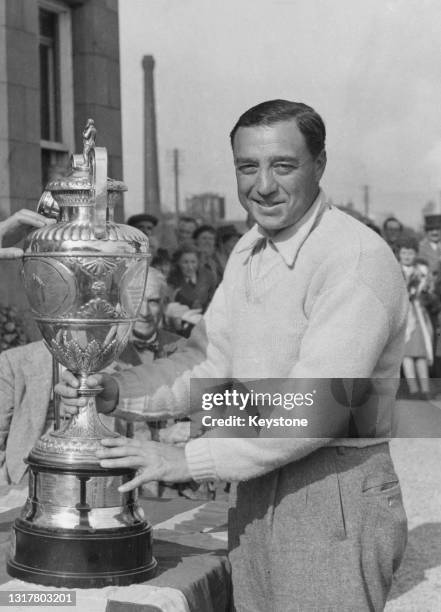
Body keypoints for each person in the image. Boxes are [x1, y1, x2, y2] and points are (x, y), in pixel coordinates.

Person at [58, 99, 409, 611]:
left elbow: (319, 408)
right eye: (248, 166)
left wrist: (186, 458)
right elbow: (209, 365)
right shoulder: (249, 248)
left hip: (333, 490)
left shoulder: (355, 257)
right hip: (255, 481)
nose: (263, 185)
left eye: (282, 165)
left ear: (320, 164)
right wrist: (115, 391)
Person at [398, 239, 434, 399]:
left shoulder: (421, 271)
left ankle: (425, 389)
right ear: (399, 253)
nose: (407, 256)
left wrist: (425, 293)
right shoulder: (394, 269)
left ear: (416, 254)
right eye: (404, 252)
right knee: (405, 355)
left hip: (418, 314)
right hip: (401, 316)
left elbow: (429, 292)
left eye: (410, 253)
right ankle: (413, 389)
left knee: (420, 353)